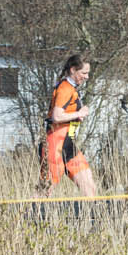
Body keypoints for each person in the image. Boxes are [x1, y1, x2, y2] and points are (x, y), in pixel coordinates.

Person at [42, 54, 98, 198]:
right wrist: (79, 113)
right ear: (73, 70)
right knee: (45, 191)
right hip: (55, 144)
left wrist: (78, 115)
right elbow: (56, 116)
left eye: (88, 73)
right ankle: (26, 211)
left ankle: (92, 212)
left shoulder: (72, 89)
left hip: (67, 144)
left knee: (89, 186)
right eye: (84, 73)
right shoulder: (65, 88)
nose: (87, 77)